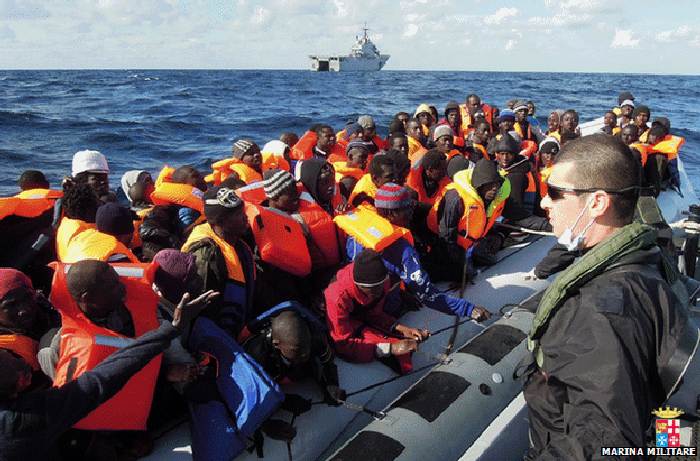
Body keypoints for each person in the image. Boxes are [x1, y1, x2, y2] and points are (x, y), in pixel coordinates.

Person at [523, 134, 689, 460]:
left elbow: (608, 444)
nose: (544, 202)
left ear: (596, 203)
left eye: (555, 193)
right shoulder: (648, 260)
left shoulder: (598, 311)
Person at [0, 265, 214, 461]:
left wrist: (166, 371)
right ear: (88, 297)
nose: (25, 309)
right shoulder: (52, 348)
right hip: (89, 425)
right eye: (12, 306)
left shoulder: (112, 313)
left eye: (27, 298)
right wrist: (112, 442)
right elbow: (81, 396)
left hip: (142, 398)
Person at [340, 184, 491, 321]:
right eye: (406, 208)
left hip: (350, 304)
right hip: (379, 311)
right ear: (389, 213)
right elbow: (427, 294)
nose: (412, 212)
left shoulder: (358, 230)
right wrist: (469, 310)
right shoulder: (401, 249)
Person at [324, 249, 430, 373]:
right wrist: (390, 348)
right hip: (334, 318)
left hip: (356, 312)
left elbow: (374, 314)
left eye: (382, 285)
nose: (380, 292)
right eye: (374, 289)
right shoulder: (336, 298)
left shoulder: (381, 284)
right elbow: (343, 344)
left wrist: (401, 329)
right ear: (360, 286)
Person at [181, 186, 256, 340]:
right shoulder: (206, 255)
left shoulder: (239, 244)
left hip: (241, 330)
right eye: (237, 215)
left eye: (243, 211)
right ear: (219, 222)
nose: (245, 217)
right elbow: (203, 314)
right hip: (217, 339)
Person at [241, 308, 346, 405]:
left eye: (307, 345)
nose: (306, 352)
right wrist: (285, 401)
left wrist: (331, 384)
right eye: (297, 349)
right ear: (277, 345)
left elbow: (327, 363)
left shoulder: (314, 338)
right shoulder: (258, 358)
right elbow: (254, 391)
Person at [427, 159, 510, 279]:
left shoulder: (491, 199)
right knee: (467, 274)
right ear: (479, 184)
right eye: (489, 185)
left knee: (492, 258)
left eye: (496, 185)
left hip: (472, 242)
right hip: (447, 243)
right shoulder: (455, 198)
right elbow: (446, 237)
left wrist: (498, 236)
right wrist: (457, 266)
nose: (494, 189)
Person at [140, 165, 207, 260]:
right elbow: (189, 240)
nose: (202, 178)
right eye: (196, 176)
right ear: (183, 183)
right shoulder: (187, 211)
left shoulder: (189, 205)